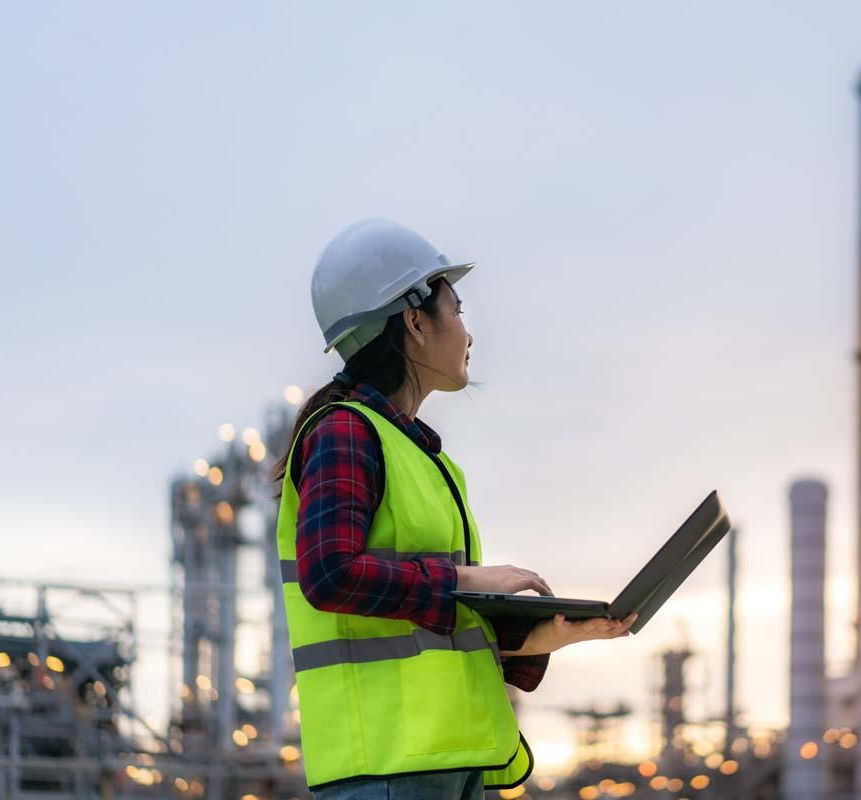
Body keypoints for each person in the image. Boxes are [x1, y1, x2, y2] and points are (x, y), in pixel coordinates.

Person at [272, 219, 637, 799]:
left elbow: (432, 626)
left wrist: (542, 638)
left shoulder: (424, 457)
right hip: (388, 770)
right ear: (414, 321)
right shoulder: (344, 432)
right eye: (457, 307)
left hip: (445, 763)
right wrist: (469, 578)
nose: (468, 331)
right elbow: (331, 575)